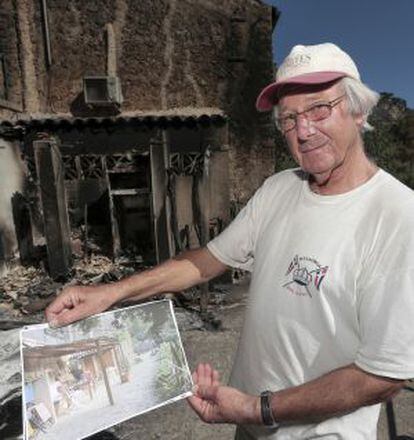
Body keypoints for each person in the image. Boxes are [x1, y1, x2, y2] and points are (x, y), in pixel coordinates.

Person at [46, 43, 414, 439]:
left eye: (319, 109)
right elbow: (206, 261)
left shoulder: (398, 217)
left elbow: (382, 376)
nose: (304, 131)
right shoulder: (279, 188)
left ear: (359, 111)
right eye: (289, 119)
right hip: (251, 424)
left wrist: (260, 408)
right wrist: (111, 293)